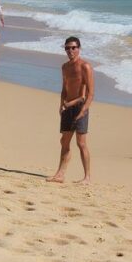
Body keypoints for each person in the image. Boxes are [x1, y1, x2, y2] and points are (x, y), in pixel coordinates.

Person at [49, 36, 94, 184]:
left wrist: (84, 110)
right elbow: (64, 87)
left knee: (81, 143)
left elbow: (90, 93)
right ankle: (60, 174)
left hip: (80, 107)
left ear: (79, 49)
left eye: (73, 48)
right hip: (67, 107)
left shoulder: (85, 66)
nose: (70, 51)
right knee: (64, 141)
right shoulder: (65, 67)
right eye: (67, 48)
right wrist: (61, 104)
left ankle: (87, 177)